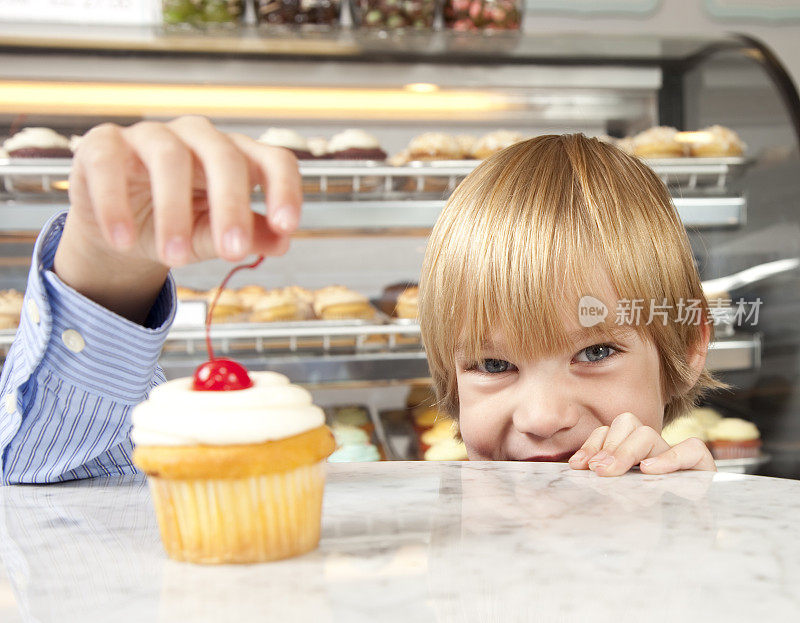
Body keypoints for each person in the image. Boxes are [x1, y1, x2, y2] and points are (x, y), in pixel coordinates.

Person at [0, 118, 719, 484]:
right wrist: (106, 274)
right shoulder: (393, 534)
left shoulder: (702, 524)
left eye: (595, 350)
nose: (540, 416)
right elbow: (57, 497)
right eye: (493, 363)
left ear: (687, 344)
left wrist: (695, 533)